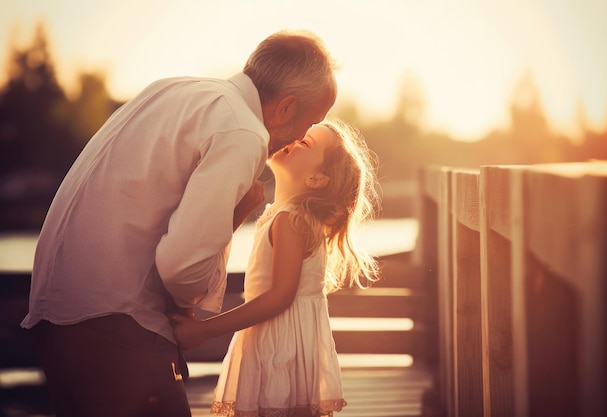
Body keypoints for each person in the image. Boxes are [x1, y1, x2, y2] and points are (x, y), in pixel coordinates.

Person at [20, 30, 337, 417]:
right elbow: (182, 269)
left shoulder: (171, 88)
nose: (300, 138)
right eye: (311, 123)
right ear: (286, 108)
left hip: (56, 316)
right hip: (118, 326)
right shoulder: (243, 131)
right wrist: (237, 215)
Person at [169, 119, 380, 417]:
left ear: (317, 179)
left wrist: (205, 331)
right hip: (280, 341)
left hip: (279, 347)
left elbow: (281, 296)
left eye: (305, 142)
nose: (294, 138)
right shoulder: (282, 215)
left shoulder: (291, 220)